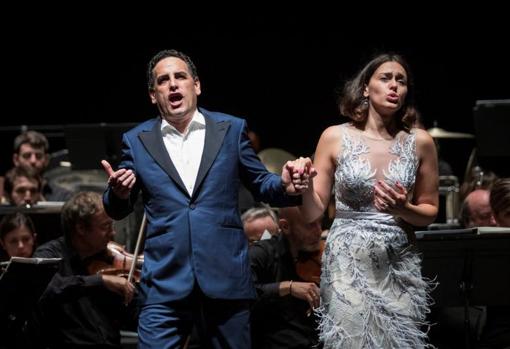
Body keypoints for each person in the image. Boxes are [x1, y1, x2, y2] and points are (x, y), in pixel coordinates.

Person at [101, 49, 304, 349]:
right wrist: (118, 193)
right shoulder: (137, 139)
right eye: (163, 80)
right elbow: (118, 205)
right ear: (152, 95)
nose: (173, 84)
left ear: (196, 86)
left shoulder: (230, 129)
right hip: (165, 282)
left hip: (225, 277)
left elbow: (261, 182)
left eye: (180, 77)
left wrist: (286, 184)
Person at [295, 53, 439, 347]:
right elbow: (313, 212)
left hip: (397, 259)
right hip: (349, 261)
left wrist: (404, 208)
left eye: (401, 81)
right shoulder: (335, 136)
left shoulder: (420, 141)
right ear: (365, 88)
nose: (394, 86)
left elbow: (429, 212)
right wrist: (304, 186)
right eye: (385, 78)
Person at [26, 191, 136, 349]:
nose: (112, 233)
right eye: (105, 226)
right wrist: (99, 281)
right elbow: (47, 289)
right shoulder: (49, 255)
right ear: (81, 229)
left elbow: (129, 314)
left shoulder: (110, 261)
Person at [249, 206, 323, 349]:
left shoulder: (321, 253)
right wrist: (287, 287)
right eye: (310, 225)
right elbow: (242, 292)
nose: (319, 231)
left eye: (320, 222)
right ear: (285, 226)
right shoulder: (261, 253)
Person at [12, 130, 72, 202]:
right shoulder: (3, 193)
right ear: (16, 159)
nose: (33, 161)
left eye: (38, 156)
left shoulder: (62, 196)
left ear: (46, 159)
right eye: (27, 156)